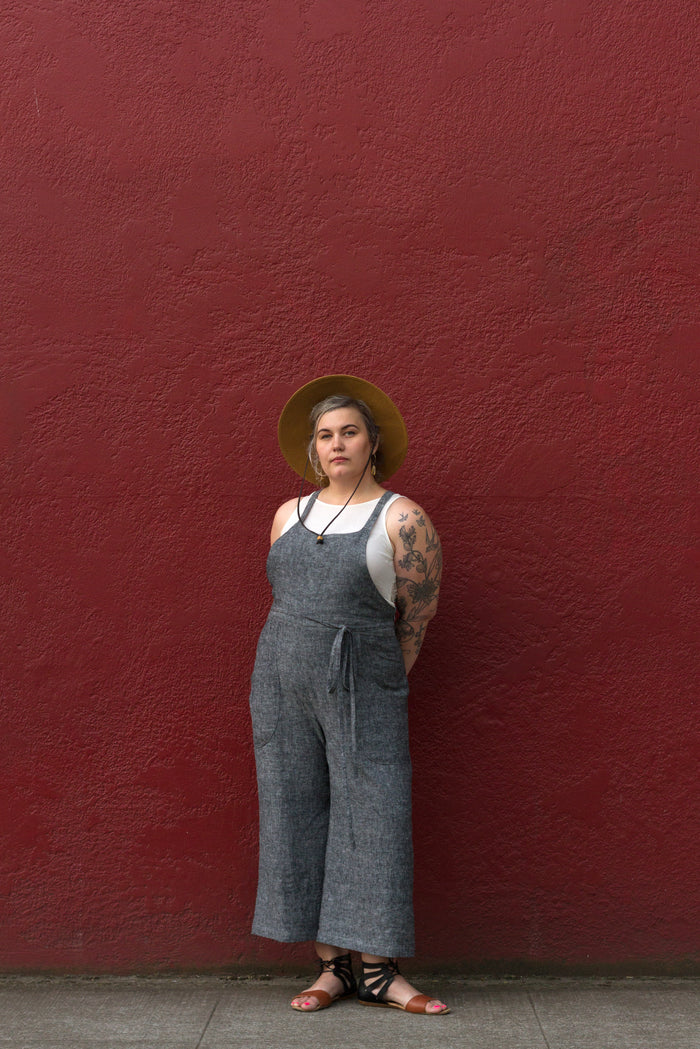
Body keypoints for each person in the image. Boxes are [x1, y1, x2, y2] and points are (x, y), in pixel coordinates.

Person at [249, 375, 448, 1016]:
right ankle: (332, 967)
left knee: (375, 812)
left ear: (372, 442)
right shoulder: (289, 515)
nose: (336, 444)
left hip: (365, 680)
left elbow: (416, 618)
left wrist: (380, 679)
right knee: (296, 808)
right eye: (325, 435)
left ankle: (381, 971)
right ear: (313, 448)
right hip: (281, 679)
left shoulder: (402, 518)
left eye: (349, 432)